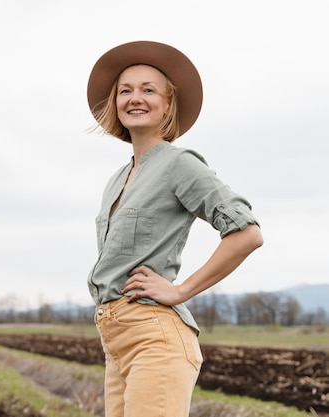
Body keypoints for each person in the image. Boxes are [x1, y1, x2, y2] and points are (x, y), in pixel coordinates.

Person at [86, 41, 263, 417]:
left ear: (168, 104)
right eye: (125, 91)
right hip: (115, 339)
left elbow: (247, 233)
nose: (136, 98)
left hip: (155, 338)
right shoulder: (118, 178)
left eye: (149, 90)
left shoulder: (179, 163)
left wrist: (181, 290)